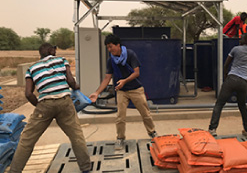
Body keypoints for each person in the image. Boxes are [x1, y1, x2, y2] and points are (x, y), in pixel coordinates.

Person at [9, 43, 91, 173]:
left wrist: (40, 106)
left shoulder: (32, 68)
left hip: (44, 104)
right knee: (76, 136)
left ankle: (14, 171)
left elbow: (28, 94)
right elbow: (70, 81)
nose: (56, 51)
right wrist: (76, 87)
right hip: (65, 102)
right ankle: (86, 168)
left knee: (27, 140)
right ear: (50, 50)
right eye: (54, 49)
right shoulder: (61, 60)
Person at [89, 34, 157, 150]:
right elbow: (107, 78)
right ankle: (120, 138)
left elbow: (136, 73)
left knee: (145, 114)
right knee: (120, 117)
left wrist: (124, 81)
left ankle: (152, 133)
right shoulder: (111, 60)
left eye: (111, 47)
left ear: (118, 45)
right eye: (108, 48)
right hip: (121, 91)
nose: (109, 50)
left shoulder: (130, 54)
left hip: (136, 89)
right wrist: (97, 92)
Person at [208, 33, 247, 138]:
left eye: (241, 38)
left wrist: (226, 77)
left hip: (231, 79)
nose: (239, 39)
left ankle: (212, 129)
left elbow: (226, 65)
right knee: (242, 106)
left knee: (219, 104)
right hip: (244, 82)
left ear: (246, 40)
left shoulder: (236, 49)